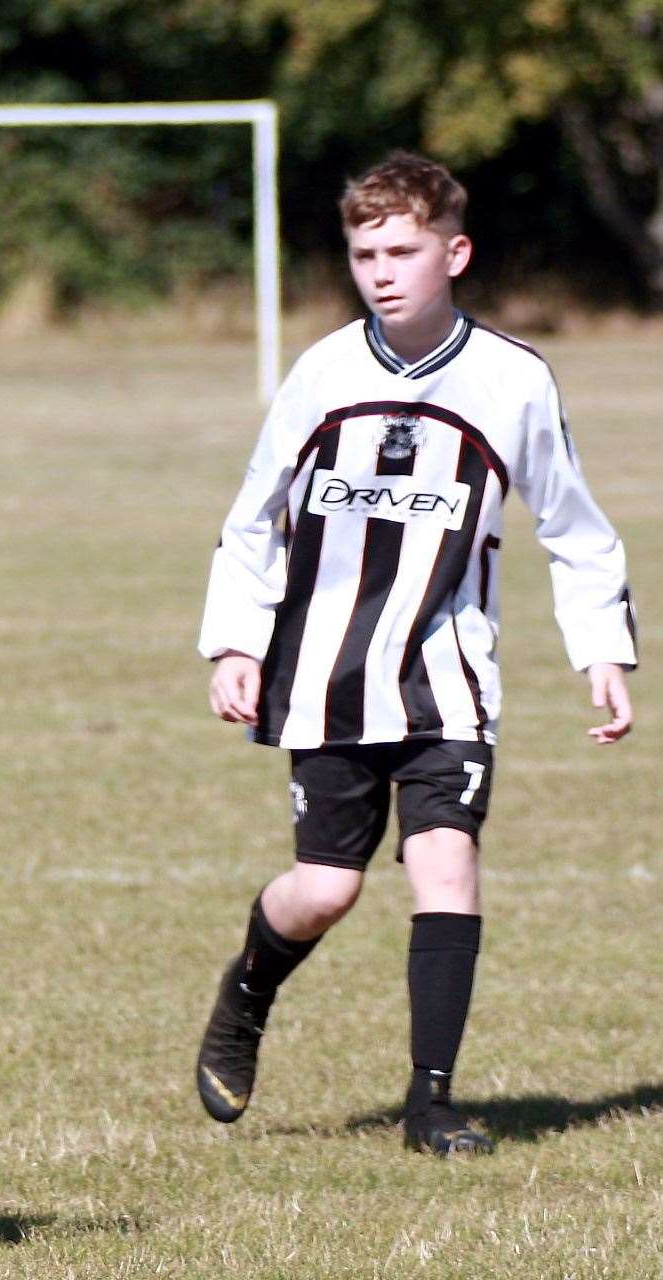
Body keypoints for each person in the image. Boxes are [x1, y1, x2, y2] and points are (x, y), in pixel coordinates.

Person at [193, 152, 636, 1157]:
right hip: (327, 676)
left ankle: (431, 1101)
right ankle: (247, 991)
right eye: (364, 253)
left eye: (403, 250)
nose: (383, 271)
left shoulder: (513, 379)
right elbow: (254, 518)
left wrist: (600, 650)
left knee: (448, 862)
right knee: (326, 889)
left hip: (450, 672)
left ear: (456, 252)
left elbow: (574, 525)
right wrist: (233, 640)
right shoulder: (323, 372)